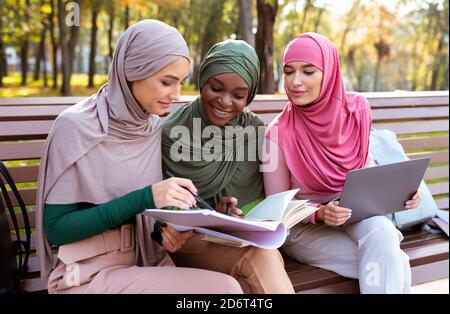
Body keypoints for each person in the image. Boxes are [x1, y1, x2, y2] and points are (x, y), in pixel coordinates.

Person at [35, 20, 243, 294]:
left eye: (180, 82)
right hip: (86, 274)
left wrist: (168, 232)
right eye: (166, 82)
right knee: (223, 292)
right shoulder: (75, 126)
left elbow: (145, 218)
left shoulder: (150, 128)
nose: (176, 94)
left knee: (233, 285)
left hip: (142, 261)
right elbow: (57, 229)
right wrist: (146, 197)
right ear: (132, 71)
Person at [263, 33, 421, 294]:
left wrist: (401, 195)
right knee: (392, 260)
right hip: (303, 229)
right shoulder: (276, 133)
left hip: (354, 212)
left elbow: (366, 166)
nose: (295, 82)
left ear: (330, 72)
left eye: (308, 71)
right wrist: (320, 212)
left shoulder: (357, 109)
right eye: (288, 72)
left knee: (383, 233)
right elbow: (275, 208)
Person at [160, 39, 295, 294]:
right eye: (216, 88)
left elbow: (263, 201)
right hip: (187, 244)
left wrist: (228, 214)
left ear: (250, 95)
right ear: (203, 80)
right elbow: (163, 206)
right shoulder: (172, 133)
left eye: (238, 95)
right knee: (258, 259)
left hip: (244, 244)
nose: (224, 101)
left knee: (246, 280)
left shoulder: (254, 131)